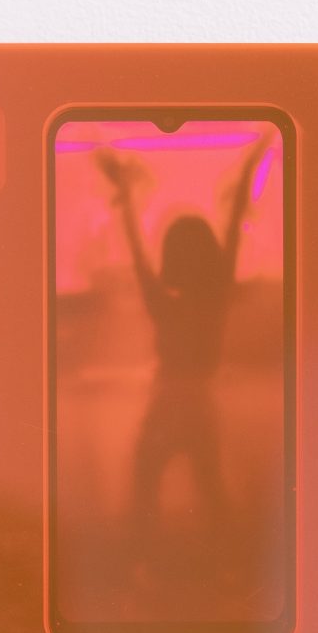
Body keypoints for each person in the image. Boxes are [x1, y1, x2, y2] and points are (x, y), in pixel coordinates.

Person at [94, 134, 270, 571]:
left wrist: (126, 198)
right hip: (198, 403)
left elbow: (138, 250)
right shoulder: (215, 297)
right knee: (207, 487)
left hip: (169, 402)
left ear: (174, 257)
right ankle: (230, 564)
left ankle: (145, 563)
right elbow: (231, 228)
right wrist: (251, 164)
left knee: (147, 482)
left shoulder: (165, 303)